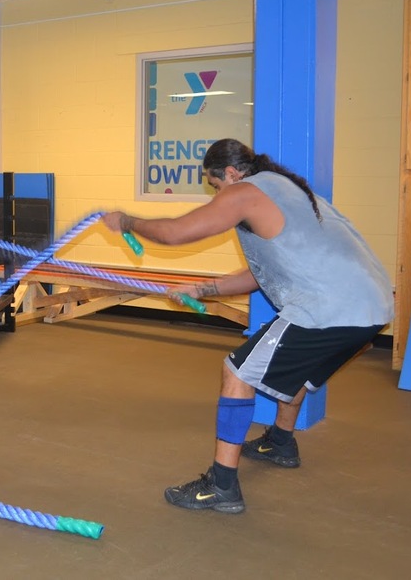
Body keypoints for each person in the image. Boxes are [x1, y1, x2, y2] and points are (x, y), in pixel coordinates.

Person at [102, 138, 393, 514]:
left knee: (237, 372)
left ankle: (221, 485)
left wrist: (125, 221)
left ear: (234, 174)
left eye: (216, 185)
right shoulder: (283, 189)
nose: (218, 195)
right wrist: (202, 289)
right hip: (371, 306)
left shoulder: (246, 192)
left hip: (331, 307)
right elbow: (261, 275)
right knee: (295, 368)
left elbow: (175, 233)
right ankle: (280, 442)